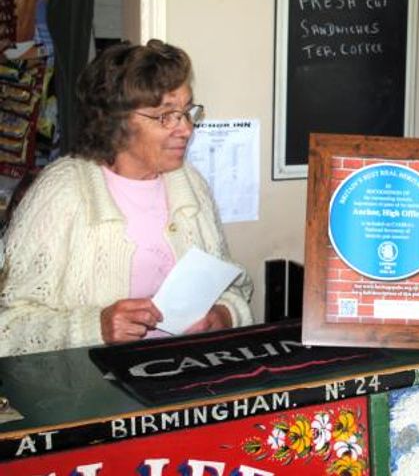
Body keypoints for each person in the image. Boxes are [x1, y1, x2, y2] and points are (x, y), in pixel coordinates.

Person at [0, 40, 254, 356]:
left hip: (182, 379)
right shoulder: (62, 191)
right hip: (92, 394)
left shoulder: (189, 182)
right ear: (116, 121)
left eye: (187, 112)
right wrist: (96, 327)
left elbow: (233, 286)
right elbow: (8, 325)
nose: (186, 129)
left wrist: (224, 315)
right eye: (166, 116)